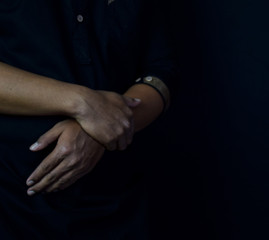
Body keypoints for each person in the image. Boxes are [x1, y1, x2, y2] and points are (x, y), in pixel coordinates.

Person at [0, 0, 174, 239]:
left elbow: (160, 72)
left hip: (117, 201)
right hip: (12, 199)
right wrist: (82, 103)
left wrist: (103, 129)